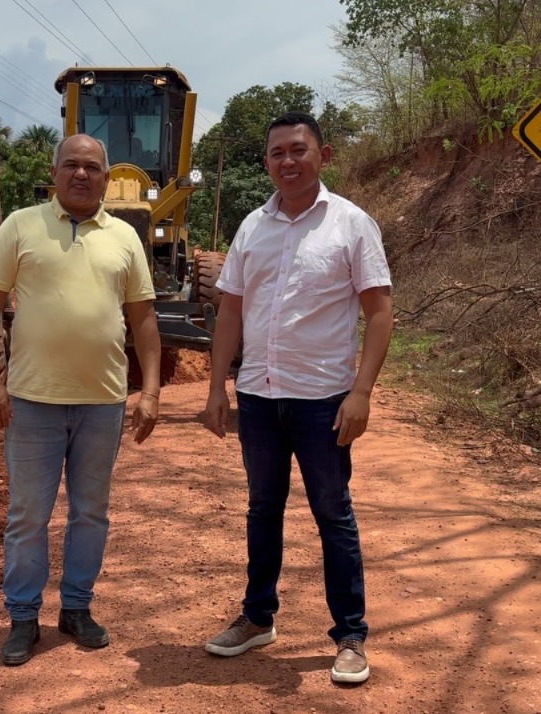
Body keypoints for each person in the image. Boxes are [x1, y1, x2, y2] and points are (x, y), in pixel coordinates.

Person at [203, 112, 392, 684]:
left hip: (322, 400)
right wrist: (217, 386)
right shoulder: (251, 227)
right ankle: (257, 617)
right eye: (277, 153)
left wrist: (361, 392)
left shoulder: (351, 224)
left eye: (298, 150)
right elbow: (231, 312)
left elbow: (379, 312)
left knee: (333, 514)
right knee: (263, 508)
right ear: (266, 162)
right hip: (259, 397)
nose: (287, 161)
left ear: (323, 155)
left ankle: (350, 635)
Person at [0, 134, 161, 667]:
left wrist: (149, 391)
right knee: (28, 515)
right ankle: (23, 617)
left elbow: (144, 318)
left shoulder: (125, 237)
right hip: (32, 401)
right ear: (54, 172)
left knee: (90, 513)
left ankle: (76, 608)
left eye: (92, 167)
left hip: (103, 402)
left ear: (107, 177)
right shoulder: (20, 226)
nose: (81, 174)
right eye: (71, 165)